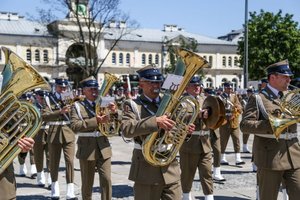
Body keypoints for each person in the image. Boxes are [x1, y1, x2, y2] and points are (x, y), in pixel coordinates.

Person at [121, 65, 193, 200]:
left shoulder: (170, 103)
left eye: (158, 82)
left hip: (169, 166)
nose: (156, 85)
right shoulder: (132, 105)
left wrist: (185, 131)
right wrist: (155, 122)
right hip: (146, 168)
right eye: (151, 82)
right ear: (141, 84)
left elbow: (174, 129)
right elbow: (126, 130)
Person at [240, 60, 300, 200]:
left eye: (289, 77)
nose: (289, 79)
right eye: (285, 76)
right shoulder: (258, 98)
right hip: (270, 157)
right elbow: (244, 125)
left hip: (294, 153)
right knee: (268, 197)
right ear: (273, 77)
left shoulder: (291, 96)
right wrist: (270, 124)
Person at [70, 76, 116, 200]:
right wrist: (96, 120)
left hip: (103, 146)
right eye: (91, 89)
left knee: (106, 179)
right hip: (87, 147)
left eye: (96, 89)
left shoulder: (104, 104)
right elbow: (74, 126)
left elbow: (114, 126)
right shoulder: (77, 106)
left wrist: (114, 113)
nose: (94, 92)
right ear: (84, 91)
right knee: (87, 182)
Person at [179, 76, 214, 200]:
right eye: (194, 85)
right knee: (188, 174)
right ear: (187, 87)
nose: (197, 87)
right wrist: (197, 114)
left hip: (205, 143)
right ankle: (186, 196)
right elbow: (180, 117)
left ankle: (209, 197)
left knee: (207, 172)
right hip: (189, 143)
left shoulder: (205, 99)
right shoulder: (182, 101)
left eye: (199, 85)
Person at [43, 77, 77, 200]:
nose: (62, 89)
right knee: (54, 162)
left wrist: (72, 104)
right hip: (54, 133)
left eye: (64, 87)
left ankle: (70, 191)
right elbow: (45, 116)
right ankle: (54, 189)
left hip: (68, 133)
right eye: (60, 87)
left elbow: (75, 114)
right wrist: (59, 112)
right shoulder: (48, 98)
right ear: (55, 86)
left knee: (70, 161)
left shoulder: (70, 98)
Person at [219, 82, 245, 165]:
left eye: (231, 88)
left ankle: (238, 158)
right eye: (228, 88)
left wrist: (237, 109)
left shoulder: (234, 96)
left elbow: (239, 106)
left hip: (234, 122)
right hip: (224, 122)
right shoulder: (220, 97)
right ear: (225, 88)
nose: (230, 90)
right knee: (223, 141)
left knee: (236, 140)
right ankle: (222, 158)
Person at [204, 88, 226, 182]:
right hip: (204, 129)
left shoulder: (218, 100)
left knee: (217, 150)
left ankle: (217, 172)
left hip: (215, 128)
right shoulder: (201, 99)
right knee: (203, 153)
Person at [33, 89, 52, 187]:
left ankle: (49, 178)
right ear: (37, 97)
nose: (43, 100)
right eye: (41, 98)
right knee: (38, 156)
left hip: (48, 132)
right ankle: (40, 176)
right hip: (38, 133)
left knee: (50, 156)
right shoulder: (33, 106)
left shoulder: (49, 106)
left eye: (45, 98)